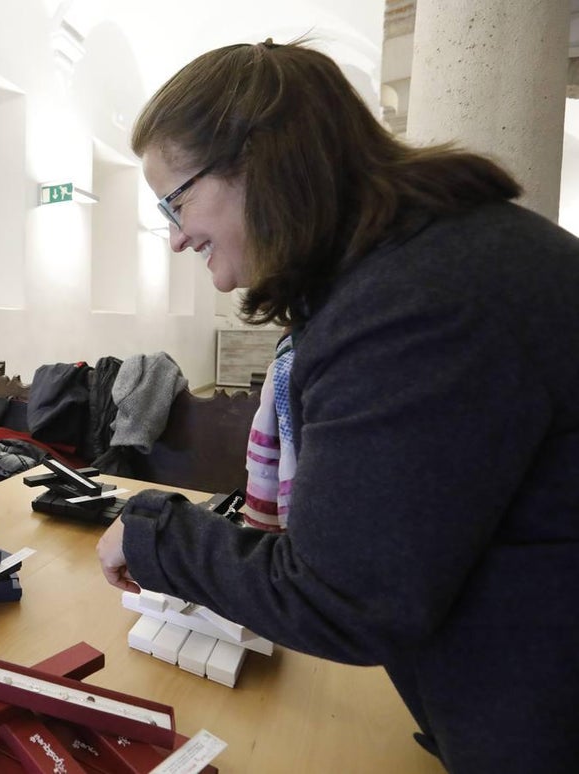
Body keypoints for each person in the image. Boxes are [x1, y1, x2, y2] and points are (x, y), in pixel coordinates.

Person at [96, 40, 579, 773]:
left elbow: (346, 594)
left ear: (256, 162)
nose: (174, 237)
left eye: (176, 200)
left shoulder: (414, 303)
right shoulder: (431, 258)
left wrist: (156, 536)